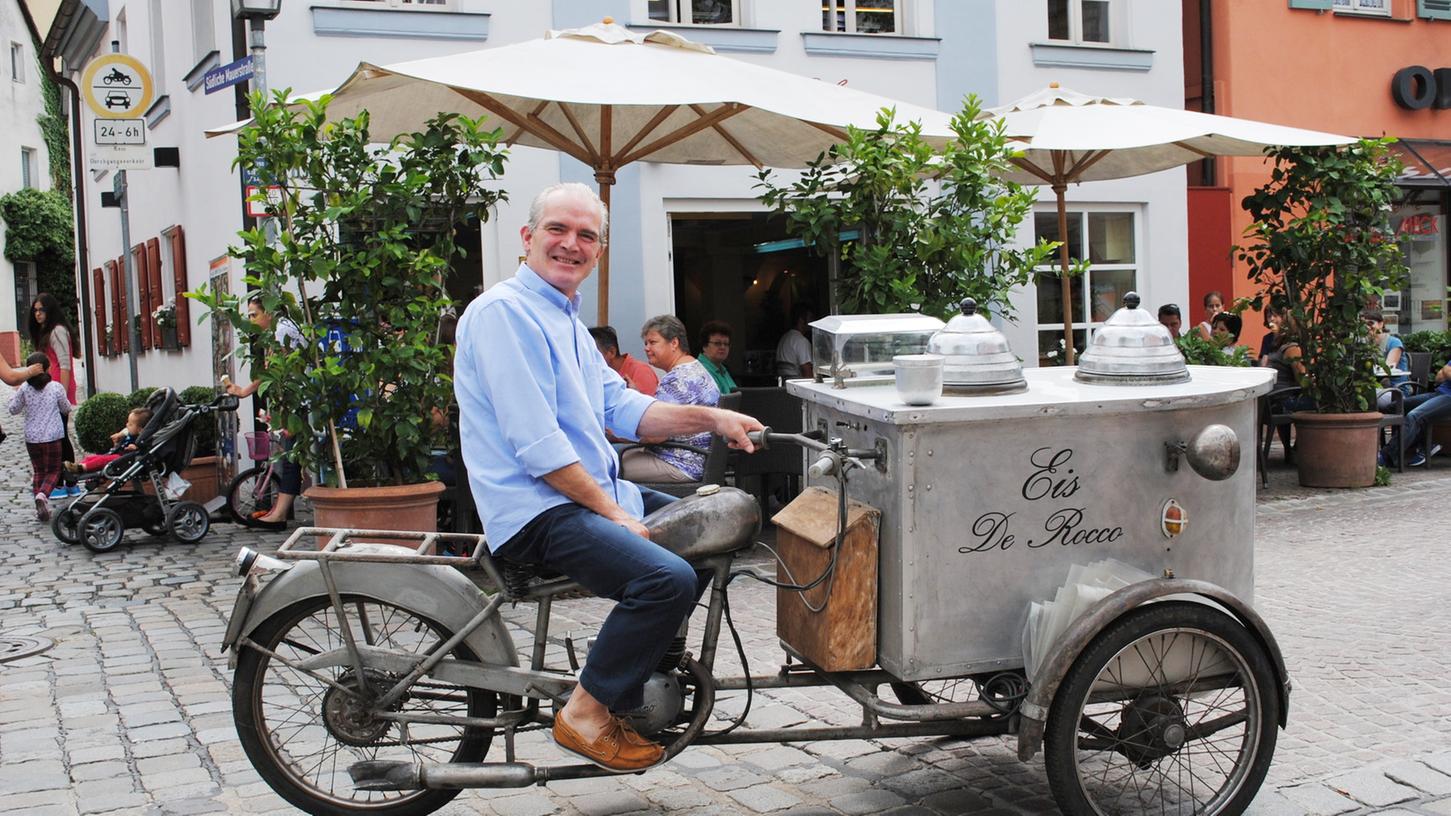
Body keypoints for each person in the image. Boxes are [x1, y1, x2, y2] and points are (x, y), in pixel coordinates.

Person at [454, 182, 763, 772]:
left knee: (710, 531)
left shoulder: (565, 319)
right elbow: (537, 446)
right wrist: (615, 513)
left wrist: (712, 415)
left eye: (586, 236)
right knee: (666, 580)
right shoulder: (503, 315)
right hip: (535, 509)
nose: (571, 245)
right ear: (527, 238)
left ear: (598, 250)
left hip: (581, 496)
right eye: (558, 230)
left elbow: (626, 411)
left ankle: (633, 671)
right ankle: (588, 712)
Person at [224, 294, 305, 528]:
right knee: (291, 458)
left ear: (268, 312)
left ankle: (279, 515)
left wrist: (247, 391)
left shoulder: (282, 331)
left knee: (291, 457)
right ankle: (278, 512)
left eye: (254, 315)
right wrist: (246, 391)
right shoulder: (277, 331)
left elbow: (277, 371)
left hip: (299, 400)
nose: (250, 320)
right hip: (292, 400)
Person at [620, 315, 721, 483]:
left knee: (605, 465)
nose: (646, 348)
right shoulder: (695, 368)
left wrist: (616, 431)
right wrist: (637, 396)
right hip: (700, 459)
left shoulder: (676, 379)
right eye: (645, 343)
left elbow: (655, 435)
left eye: (652, 342)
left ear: (674, 343)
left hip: (680, 463)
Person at [8, 353, 71, 521]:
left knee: (38, 471)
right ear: (48, 368)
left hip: (32, 438)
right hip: (52, 436)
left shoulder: (23, 389)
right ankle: (42, 496)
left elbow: (13, 409)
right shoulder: (56, 387)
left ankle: (40, 510)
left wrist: (14, 395)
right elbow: (66, 407)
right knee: (54, 470)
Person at [1396, 358, 1451, 467]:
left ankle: (1385, 456)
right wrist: (1447, 372)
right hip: (1438, 394)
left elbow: (1446, 371)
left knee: (1414, 416)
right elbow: (1440, 376)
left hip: (1449, 398)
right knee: (1396, 406)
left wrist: (1447, 372)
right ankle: (1426, 444)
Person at [64, 407, 152, 474]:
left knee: (102, 460)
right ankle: (78, 468)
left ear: (140, 429)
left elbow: (143, 448)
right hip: (119, 455)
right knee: (92, 458)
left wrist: (135, 448)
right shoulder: (130, 433)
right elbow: (125, 432)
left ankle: (81, 468)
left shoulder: (140, 439)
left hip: (125, 460)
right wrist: (118, 440)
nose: (127, 425)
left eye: (130, 424)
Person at [28, 293, 78, 406]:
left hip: (58, 387)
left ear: (50, 310)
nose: (37, 314)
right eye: (35, 310)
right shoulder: (45, 332)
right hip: (50, 387)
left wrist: (62, 396)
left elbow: (65, 366)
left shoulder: (57, 331)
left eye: (41, 310)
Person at [1363, 308, 1410, 412]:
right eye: (1363, 324)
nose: (1367, 327)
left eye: (1371, 323)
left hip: (1395, 392)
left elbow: (1387, 368)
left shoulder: (1394, 343)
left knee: (1363, 396)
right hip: (1374, 389)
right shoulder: (1363, 345)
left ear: (1381, 324)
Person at [589, 325, 659, 395]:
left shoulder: (641, 371)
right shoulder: (594, 375)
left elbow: (649, 404)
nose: (588, 359)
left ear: (611, 352)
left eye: (592, 354)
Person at [775, 302, 816, 379]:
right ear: (801, 320)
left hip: (784, 386)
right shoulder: (801, 341)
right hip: (799, 387)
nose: (812, 321)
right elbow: (808, 374)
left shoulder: (784, 338)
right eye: (810, 317)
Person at [697, 320, 738, 395]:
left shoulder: (722, 369)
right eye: (717, 343)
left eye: (726, 344)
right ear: (704, 346)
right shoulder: (700, 371)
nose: (723, 347)